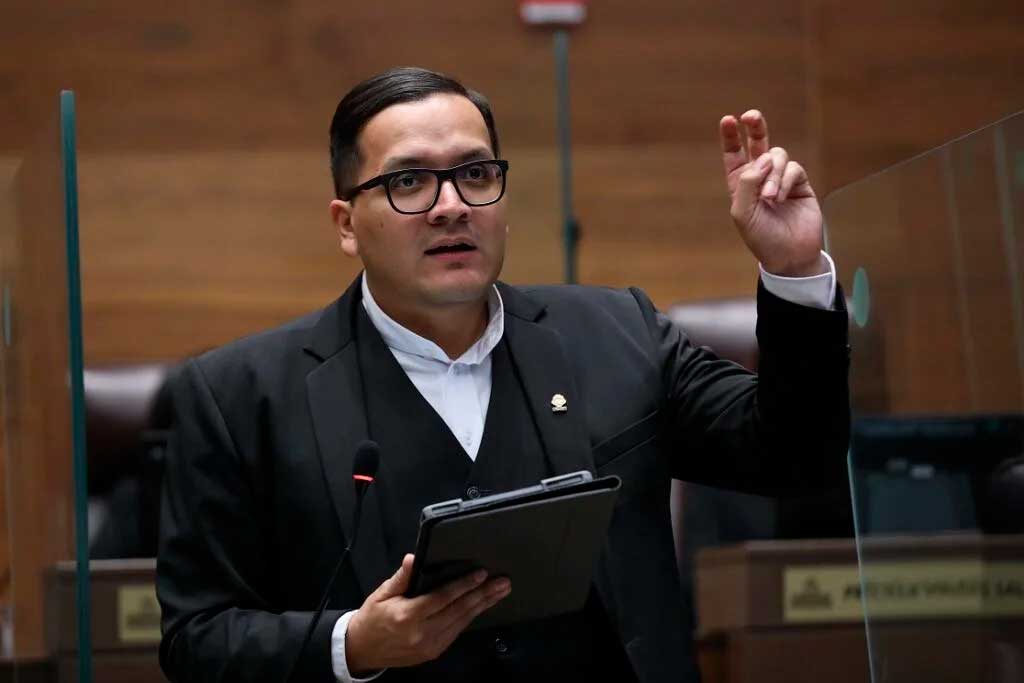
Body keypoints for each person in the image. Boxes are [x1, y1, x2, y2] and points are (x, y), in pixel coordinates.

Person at [157, 66, 850, 683]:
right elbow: (196, 640)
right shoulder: (239, 397)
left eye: (476, 174)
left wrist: (792, 272)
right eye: (408, 182)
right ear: (346, 224)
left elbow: (797, 455)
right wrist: (353, 644)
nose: (451, 205)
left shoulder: (619, 333)